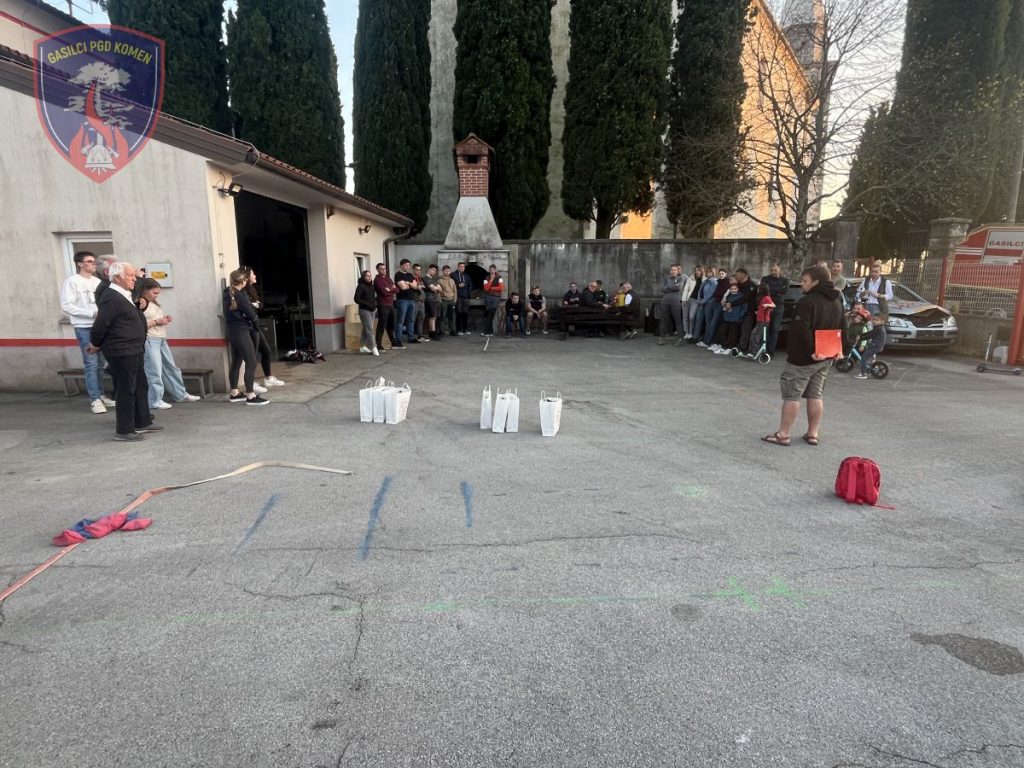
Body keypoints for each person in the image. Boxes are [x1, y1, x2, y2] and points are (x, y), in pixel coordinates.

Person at [762, 265, 843, 447]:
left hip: (804, 358)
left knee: (792, 395)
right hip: (827, 355)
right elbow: (842, 327)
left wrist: (812, 350)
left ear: (816, 282)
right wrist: (840, 349)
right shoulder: (836, 301)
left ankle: (783, 434)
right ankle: (813, 433)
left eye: (805, 281)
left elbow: (800, 329)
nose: (802, 284)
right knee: (815, 394)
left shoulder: (807, 302)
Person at [90, 261, 161, 441]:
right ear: (116, 277)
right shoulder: (111, 297)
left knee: (140, 386)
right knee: (126, 390)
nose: (134, 279)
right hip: (122, 350)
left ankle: (142, 421)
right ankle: (124, 430)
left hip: (134, 349)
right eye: (130, 275)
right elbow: (100, 325)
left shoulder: (124, 294)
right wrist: (96, 343)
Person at [61, 251, 115, 414]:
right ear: (80, 264)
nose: (93, 264)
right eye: (89, 261)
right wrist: (90, 314)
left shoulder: (97, 281)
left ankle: (101, 394)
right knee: (91, 363)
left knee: (100, 363)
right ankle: (94, 399)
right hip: (84, 326)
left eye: (94, 262)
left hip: (100, 326)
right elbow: (67, 305)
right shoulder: (72, 281)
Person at [136, 278, 202, 408]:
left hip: (160, 338)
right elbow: (136, 324)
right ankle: (155, 400)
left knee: (171, 368)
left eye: (157, 293)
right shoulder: (141, 302)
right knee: (154, 370)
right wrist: (157, 322)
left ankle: (180, 394)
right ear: (145, 290)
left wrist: (163, 320)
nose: (156, 295)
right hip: (150, 339)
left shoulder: (152, 302)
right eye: (154, 293)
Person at [223, 269, 269, 405]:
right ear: (243, 281)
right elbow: (252, 315)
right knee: (251, 362)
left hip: (231, 331)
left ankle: (235, 393)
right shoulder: (239, 295)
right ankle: (251, 396)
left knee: (236, 361)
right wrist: (256, 326)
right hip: (241, 331)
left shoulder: (228, 292)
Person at [242, 267, 285, 390]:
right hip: (248, 327)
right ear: (247, 277)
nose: (255, 275)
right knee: (251, 357)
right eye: (252, 274)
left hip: (255, 325)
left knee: (266, 351)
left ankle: (268, 378)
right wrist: (253, 305)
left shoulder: (251, 289)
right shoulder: (242, 291)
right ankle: (251, 383)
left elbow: (260, 305)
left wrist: (254, 304)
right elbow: (247, 307)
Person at [712, 278, 747, 353]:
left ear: (738, 289)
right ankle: (723, 346)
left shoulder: (741, 297)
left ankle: (729, 348)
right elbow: (725, 306)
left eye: (734, 289)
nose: (733, 290)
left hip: (736, 319)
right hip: (727, 317)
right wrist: (725, 310)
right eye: (731, 289)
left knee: (732, 334)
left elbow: (744, 307)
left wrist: (740, 315)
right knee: (723, 332)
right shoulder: (728, 296)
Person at [760, 263, 788, 355]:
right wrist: (778, 290)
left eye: (775, 270)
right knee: (765, 327)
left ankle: (771, 351)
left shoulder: (785, 280)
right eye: (772, 270)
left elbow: (784, 291)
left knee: (775, 329)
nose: (773, 272)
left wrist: (770, 289)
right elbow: (763, 289)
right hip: (767, 305)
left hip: (778, 306)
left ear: (780, 270)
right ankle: (765, 349)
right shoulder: (765, 279)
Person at [701, 268, 731, 347]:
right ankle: (709, 341)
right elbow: (715, 292)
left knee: (713, 322)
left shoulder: (727, 282)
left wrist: (717, 296)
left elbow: (722, 293)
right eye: (720, 274)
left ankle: (707, 342)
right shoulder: (718, 281)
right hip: (715, 302)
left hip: (720, 303)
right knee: (711, 322)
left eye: (722, 273)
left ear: (726, 274)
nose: (721, 275)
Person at [732, 268, 759, 352]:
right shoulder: (738, 285)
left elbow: (745, 298)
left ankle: (742, 348)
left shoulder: (751, 286)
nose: (736, 276)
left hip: (748, 312)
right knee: (737, 330)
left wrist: (731, 304)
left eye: (737, 275)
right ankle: (735, 346)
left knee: (745, 330)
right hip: (738, 311)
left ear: (743, 275)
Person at [746, 282, 776, 357]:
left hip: (763, 320)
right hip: (760, 319)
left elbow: (773, 305)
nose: (758, 289)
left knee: (757, 336)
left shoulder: (766, 298)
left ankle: (754, 352)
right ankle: (752, 351)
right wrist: (758, 311)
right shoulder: (762, 298)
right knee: (754, 335)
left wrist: (767, 305)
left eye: (759, 288)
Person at [373, 262, 398, 350]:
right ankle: (379, 345)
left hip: (391, 304)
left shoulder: (388, 278)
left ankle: (393, 343)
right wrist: (391, 289)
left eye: (384, 269)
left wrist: (390, 289)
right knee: (382, 325)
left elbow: (397, 290)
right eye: (382, 269)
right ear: (377, 270)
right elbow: (384, 292)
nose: (384, 270)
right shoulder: (377, 280)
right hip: (383, 305)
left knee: (391, 324)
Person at [354, 269, 379, 356]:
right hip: (364, 310)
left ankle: (362, 346)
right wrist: (367, 304)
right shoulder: (361, 286)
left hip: (373, 310)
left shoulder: (372, 286)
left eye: (370, 275)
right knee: (369, 329)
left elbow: (374, 297)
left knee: (367, 327)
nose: (369, 277)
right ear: (363, 277)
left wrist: (375, 304)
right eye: (367, 276)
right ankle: (374, 347)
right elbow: (356, 299)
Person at [393, 259, 418, 345]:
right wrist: (411, 284)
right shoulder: (398, 275)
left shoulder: (410, 275)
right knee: (400, 320)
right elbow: (403, 287)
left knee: (411, 320)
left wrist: (408, 283)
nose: (408, 267)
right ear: (401, 265)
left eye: (409, 265)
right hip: (402, 300)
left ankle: (410, 338)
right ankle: (398, 339)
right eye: (406, 265)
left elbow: (416, 286)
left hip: (412, 300)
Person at [855, 314, 888, 379]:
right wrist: (861, 335)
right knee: (868, 358)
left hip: (875, 346)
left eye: (877, 320)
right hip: (875, 346)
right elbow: (870, 333)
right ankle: (868, 370)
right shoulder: (878, 327)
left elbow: (870, 335)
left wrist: (861, 338)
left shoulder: (879, 328)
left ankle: (863, 374)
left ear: (882, 321)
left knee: (864, 357)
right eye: (873, 319)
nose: (874, 321)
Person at [693, 265, 719, 345]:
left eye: (710, 272)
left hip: (709, 304)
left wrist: (701, 302)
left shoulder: (714, 282)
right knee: (698, 320)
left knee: (708, 321)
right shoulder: (705, 281)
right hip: (701, 303)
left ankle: (706, 339)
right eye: (707, 272)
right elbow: (700, 291)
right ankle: (695, 337)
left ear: (713, 273)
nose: (708, 273)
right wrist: (699, 300)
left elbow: (710, 294)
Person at [659, 264, 684, 345]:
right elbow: (662, 289)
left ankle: (680, 338)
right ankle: (661, 338)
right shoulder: (666, 278)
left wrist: (668, 287)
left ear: (677, 271)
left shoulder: (680, 278)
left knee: (678, 320)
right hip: (665, 302)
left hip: (675, 302)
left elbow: (678, 288)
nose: (673, 271)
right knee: (663, 320)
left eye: (675, 270)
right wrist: (672, 287)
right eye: (672, 270)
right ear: (670, 271)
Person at [422, 264, 443, 340]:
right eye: (433, 270)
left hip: (436, 300)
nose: (434, 272)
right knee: (432, 316)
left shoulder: (434, 279)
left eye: (435, 271)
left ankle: (432, 332)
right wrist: (436, 288)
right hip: (430, 300)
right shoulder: (425, 278)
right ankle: (432, 333)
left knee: (435, 317)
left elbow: (441, 289)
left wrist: (436, 288)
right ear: (429, 269)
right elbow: (433, 289)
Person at [482, 264, 504, 337]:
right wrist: (491, 281)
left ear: (495, 270)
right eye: (491, 269)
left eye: (493, 269)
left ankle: (485, 330)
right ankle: (490, 332)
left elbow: (501, 288)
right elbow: (486, 289)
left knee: (492, 310)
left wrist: (491, 288)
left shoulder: (499, 277)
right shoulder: (486, 278)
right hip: (488, 297)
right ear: (489, 270)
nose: (492, 271)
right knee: (488, 313)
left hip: (496, 297)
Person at [683, 265, 704, 342]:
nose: (697, 272)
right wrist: (684, 299)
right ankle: (686, 332)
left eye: (699, 270)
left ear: (702, 271)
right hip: (688, 299)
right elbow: (686, 289)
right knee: (685, 317)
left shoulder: (704, 280)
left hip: (696, 301)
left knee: (691, 317)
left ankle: (691, 332)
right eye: (696, 270)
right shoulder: (690, 278)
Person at [453, 262, 473, 335]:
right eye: (460, 266)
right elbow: (451, 284)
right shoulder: (453, 275)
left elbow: (470, 285)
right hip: (458, 297)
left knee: (465, 313)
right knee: (459, 313)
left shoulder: (466, 276)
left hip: (465, 297)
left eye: (463, 267)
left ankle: (465, 329)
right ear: (458, 267)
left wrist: (467, 292)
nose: (462, 268)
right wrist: (458, 286)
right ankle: (459, 330)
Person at [438, 265, 457, 336]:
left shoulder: (452, 280)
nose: (447, 272)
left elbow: (455, 291)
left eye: (448, 271)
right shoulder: (439, 280)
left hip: (451, 300)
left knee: (452, 316)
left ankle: (452, 330)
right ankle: (441, 330)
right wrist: (440, 300)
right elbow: (438, 292)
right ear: (443, 271)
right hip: (443, 300)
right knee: (442, 316)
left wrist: (455, 300)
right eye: (446, 271)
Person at [411, 264, 428, 342]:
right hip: (415, 301)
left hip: (422, 302)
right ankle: (411, 336)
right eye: (417, 270)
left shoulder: (420, 278)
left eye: (420, 270)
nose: (419, 271)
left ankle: (420, 335)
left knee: (421, 319)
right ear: (413, 270)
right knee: (412, 319)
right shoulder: (411, 278)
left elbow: (423, 287)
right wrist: (418, 286)